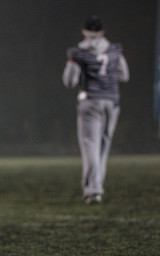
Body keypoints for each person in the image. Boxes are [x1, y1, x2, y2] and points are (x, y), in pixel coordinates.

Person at [63, 15, 129, 204]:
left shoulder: (78, 52)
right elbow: (124, 75)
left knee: (90, 145)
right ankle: (96, 187)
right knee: (103, 146)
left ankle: (93, 189)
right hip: (112, 102)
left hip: (91, 100)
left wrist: (73, 62)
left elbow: (69, 81)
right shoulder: (115, 50)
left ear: (84, 32)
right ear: (102, 32)